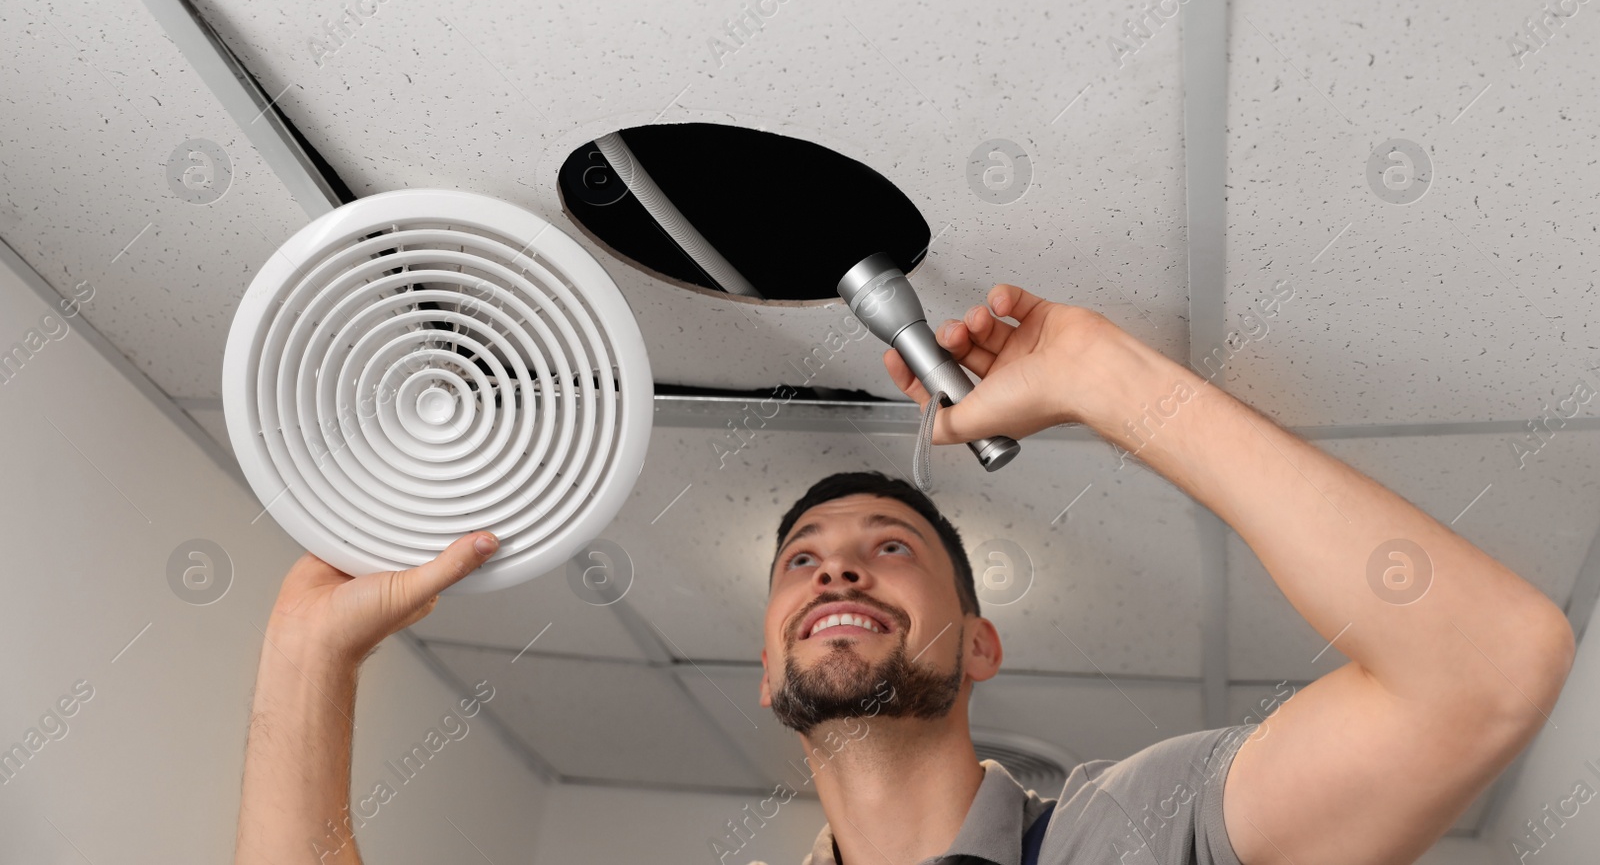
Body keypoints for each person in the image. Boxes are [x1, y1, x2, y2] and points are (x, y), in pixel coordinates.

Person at [234, 283, 1576, 865]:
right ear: (765, 673)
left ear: (980, 645)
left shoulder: (1139, 829)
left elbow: (1488, 667)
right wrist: (310, 652)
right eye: (804, 562)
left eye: (895, 549)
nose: (843, 570)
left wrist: (1109, 379)